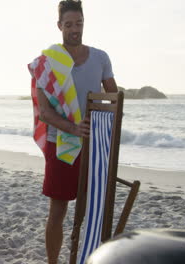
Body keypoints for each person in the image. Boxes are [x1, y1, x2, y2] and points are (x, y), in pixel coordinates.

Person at [28, 1, 118, 263]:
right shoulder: (46, 64)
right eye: (69, 24)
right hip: (62, 143)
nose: (75, 29)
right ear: (59, 26)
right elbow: (44, 112)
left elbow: (113, 98)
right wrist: (72, 127)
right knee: (58, 211)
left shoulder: (100, 57)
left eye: (79, 23)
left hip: (93, 142)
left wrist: (99, 121)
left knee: (94, 210)